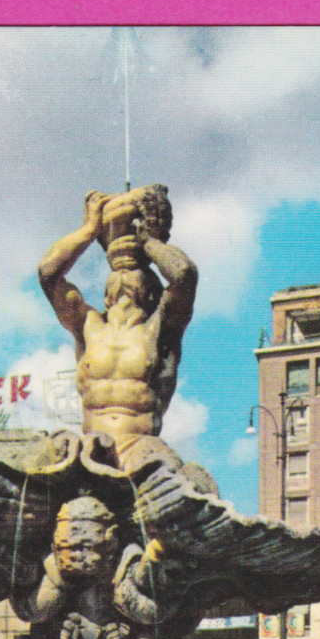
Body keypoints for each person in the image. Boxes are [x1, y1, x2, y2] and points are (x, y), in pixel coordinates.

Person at [38, 186, 198, 475]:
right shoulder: (87, 325)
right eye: (116, 276)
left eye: (135, 276)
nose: (123, 279)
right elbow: (48, 274)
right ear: (106, 295)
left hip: (143, 451)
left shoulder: (160, 329)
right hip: (90, 450)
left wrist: (149, 241)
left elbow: (184, 274)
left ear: (152, 292)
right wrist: (89, 230)